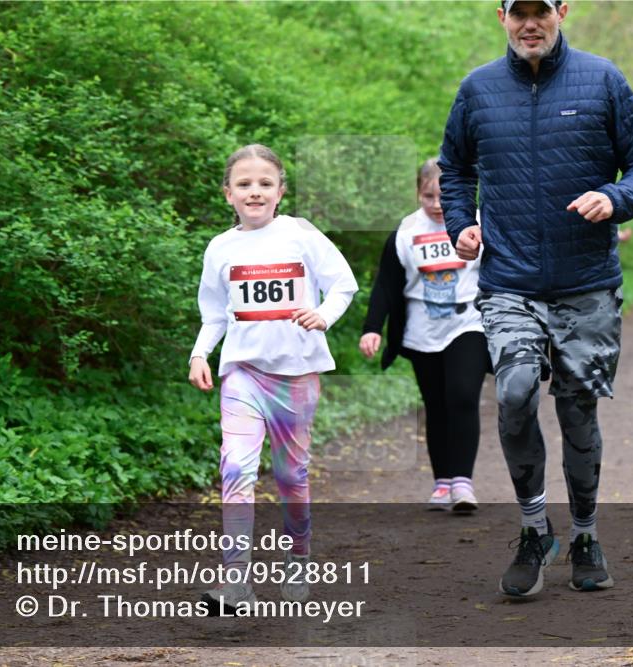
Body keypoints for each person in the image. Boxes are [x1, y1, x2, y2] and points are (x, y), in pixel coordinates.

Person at [438, 0, 633, 596]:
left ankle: (587, 534)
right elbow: (455, 168)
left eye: (541, 10)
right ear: (501, 17)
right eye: (519, 13)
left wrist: (615, 198)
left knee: (577, 413)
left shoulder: (603, 79)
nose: (530, 23)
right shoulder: (478, 89)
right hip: (509, 282)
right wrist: (461, 224)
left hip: (586, 284)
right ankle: (535, 527)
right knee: (514, 393)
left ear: (562, 11)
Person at [188, 144, 358, 612]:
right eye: (244, 184)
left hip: (296, 377)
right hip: (242, 374)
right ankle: (236, 581)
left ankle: (297, 554)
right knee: (236, 470)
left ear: (280, 191)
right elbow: (214, 314)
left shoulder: (300, 235)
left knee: (291, 476)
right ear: (228, 194)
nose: (255, 191)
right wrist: (200, 353)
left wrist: (323, 314)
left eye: (265, 183)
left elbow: (344, 283)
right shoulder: (221, 248)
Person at [359, 158, 492, 512]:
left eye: (445, 197)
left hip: (469, 322)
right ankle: (442, 482)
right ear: (418, 193)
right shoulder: (406, 232)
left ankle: (463, 483)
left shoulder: (480, 223)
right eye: (429, 196)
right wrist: (373, 328)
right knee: (436, 406)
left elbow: (507, 266)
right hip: (422, 328)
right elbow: (386, 285)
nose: (437, 205)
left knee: (463, 396)